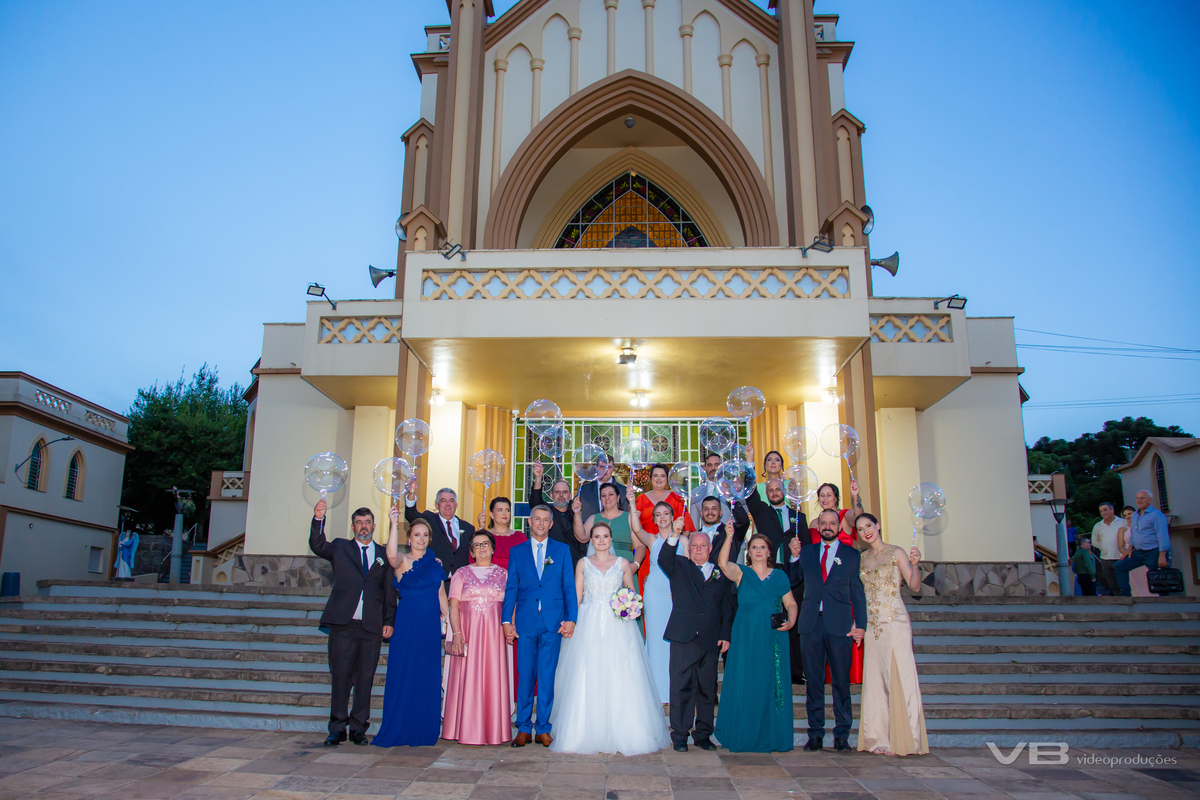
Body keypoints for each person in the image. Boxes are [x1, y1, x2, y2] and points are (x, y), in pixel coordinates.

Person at [549, 521, 672, 755]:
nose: (602, 540)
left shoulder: (623, 564)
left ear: (611, 539)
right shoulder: (583, 564)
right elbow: (577, 594)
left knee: (620, 672)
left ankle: (624, 731)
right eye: (597, 537)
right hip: (589, 621)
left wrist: (632, 606)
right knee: (588, 672)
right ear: (591, 540)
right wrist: (570, 619)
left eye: (605, 536)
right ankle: (584, 732)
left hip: (617, 625)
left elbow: (631, 593)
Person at [308, 502, 397, 747]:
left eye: (367, 522)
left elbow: (389, 590)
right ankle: (337, 728)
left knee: (365, 678)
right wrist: (318, 520)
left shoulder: (383, 554)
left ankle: (358, 728)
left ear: (374, 526)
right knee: (341, 677)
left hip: (371, 626)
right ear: (352, 527)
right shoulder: (339, 547)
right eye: (359, 522)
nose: (363, 527)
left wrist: (389, 620)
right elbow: (317, 546)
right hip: (343, 624)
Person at [786, 508, 867, 752]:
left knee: (841, 682)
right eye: (824, 523)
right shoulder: (807, 552)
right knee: (814, 683)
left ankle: (842, 734)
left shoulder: (852, 555)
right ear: (818, 526)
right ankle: (816, 734)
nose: (828, 526)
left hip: (839, 625)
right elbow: (792, 581)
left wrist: (861, 624)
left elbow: (858, 593)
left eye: (832, 523)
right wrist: (793, 557)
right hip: (811, 624)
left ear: (839, 526)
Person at [713, 528, 798, 752]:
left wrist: (791, 619)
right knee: (745, 680)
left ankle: (770, 735)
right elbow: (722, 563)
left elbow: (790, 603)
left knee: (770, 683)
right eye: (754, 547)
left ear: (769, 552)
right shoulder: (742, 573)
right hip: (745, 635)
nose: (758, 551)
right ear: (748, 552)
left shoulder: (779, 576)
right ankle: (744, 733)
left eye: (762, 547)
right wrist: (729, 537)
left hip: (773, 637)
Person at [502, 506, 578, 747]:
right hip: (525, 622)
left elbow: (568, 586)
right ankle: (523, 726)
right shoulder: (517, 552)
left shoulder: (562, 550)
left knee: (546, 675)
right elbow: (511, 587)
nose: (541, 524)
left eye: (546, 520)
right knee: (525, 675)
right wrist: (506, 621)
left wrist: (571, 618)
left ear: (551, 524)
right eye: (537, 519)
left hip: (552, 622)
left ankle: (544, 727)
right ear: (530, 522)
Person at [852, 513, 928, 756]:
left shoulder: (897, 552)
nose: (866, 531)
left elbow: (915, 587)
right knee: (876, 682)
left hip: (895, 624)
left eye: (869, 526)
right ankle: (879, 739)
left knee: (900, 679)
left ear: (878, 526)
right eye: (861, 529)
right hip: (873, 628)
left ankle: (907, 740)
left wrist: (915, 566)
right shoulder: (862, 559)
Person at [374, 512, 448, 748]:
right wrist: (394, 524)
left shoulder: (436, 564)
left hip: (430, 625)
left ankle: (423, 728)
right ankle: (401, 727)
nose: (421, 539)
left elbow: (441, 595)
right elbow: (390, 554)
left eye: (425, 535)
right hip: (407, 624)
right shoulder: (402, 561)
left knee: (427, 673)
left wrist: (453, 626)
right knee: (404, 672)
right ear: (409, 537)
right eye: (417, 535)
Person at [658, 529, 734, 752]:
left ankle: (703, 734)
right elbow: (664, 558)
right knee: (681, 687)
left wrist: (725, 635)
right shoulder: (678, 566)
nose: (698, 550)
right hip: (683, 636)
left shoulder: (721, 573)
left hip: (710, 638)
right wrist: (674, 534)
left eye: (703, 546)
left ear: (710, 550)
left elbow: (727, 607)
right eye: (694, 546)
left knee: (707, 689)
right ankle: (680, 735)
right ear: (688, 549)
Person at [442, 530, 511, 745]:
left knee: (493, 676)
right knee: (466, 676)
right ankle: (463, 728)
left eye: (485, 544)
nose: (481, 548)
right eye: (477, 545)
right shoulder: (461, 574)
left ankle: (493, 730)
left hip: (494, 637)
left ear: (492, 547)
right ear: (471, 551)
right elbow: (453, 605)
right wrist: (457, 634)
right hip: (468, 633)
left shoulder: (504, 574)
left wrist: (510, 626)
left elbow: (510, 606)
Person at [632, 500, 689, 704]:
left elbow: (690, 569)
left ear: (673, 517)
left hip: (677, 592)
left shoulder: (684, 541)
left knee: (675, 642)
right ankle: (657, 691)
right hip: (655, 591)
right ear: (654, 520)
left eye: (666, 513)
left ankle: (675, 690)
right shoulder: (652, 540)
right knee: (656, 639)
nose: (663, 517)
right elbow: (636, 527)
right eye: (658, 514)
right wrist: (631, 501)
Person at [634, 463, 695, 588]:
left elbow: (687, 528)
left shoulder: (676, 498)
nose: (659, 479)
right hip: (648, 548)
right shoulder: (641, 499)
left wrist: (681, 547)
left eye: (662, 476)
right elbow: (634, 525)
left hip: (673, 548)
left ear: (667, 479)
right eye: (656, 476)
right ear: (650, 479)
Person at [405, 485, 474, 580]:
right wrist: (411, 494)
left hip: (461, 583)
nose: (448, 504)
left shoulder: (468, 528)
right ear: (436, 505)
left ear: (456, 505)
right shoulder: (429, 520)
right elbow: (411, 515)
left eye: (451, 500)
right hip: (435, 581)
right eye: (443, 501)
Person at [574, 483, 645, 569]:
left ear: (618, 497)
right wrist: (577, 514)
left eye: (611, 494)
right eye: (603, 495)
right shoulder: (594, 518)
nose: (607, 498)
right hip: (600, 570)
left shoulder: (629, 518)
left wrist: (635, 565)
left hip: (626, 568)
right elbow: (582, 537)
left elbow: (640, 546)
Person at [1115, 491, 1170, 597]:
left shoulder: (1157, 515)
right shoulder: (1135, 515)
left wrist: (1162, 555)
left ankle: (1166, 604)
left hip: (1154, 551)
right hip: (1139, 552)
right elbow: (1134, 533)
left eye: (1142, 498)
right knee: (1119, 566)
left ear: (1150, 500)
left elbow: (1163, 536)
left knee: (1161, 579)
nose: (1139, 500)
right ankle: (1125, 596)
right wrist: (1130, 548)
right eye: (1137, 498)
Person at [530, 463, 583, 564]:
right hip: (550, 563)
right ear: (551, 495)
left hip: (574, 564)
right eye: (557, 492)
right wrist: (538, 477)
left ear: (570, 495)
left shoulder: (576, 512)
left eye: (565, 492)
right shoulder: (547, 512)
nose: (561, 495)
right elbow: (535, 501)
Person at [475, 496, 526, 569]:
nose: (504, 513)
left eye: (507, 510)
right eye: (500, 510)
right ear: (491, 515)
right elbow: (474, 560)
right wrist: (481, 529)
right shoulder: (485, 537)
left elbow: (526, 563)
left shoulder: (520, 537)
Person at [1091, 502, 1128, 596]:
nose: (1103, 513)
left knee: (1123, 584)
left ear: (1112, 510)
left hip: (1120, 558)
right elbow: (1094, 541)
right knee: (1113, 585)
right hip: (1105, 559)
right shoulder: (1098, 526)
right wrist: (1103, 547)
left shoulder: (1123, 522)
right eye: (1101, 511)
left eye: (1105, 510)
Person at [577, 458, 628, 523]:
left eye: (609, 467)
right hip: (589, 530)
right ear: (596, 467)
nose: (605, 470)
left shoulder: (623, 490)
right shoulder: (584, 489)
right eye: (602, 467)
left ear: (613, 468)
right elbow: (574, 510)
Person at [689, 453, 732, 528]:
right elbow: (693, 523)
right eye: (709, 465)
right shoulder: (696, 492)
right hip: (705, 537)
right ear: (704, 468)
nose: (713, 468)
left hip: (730, 536)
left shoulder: (733, 488)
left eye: (716, 464)